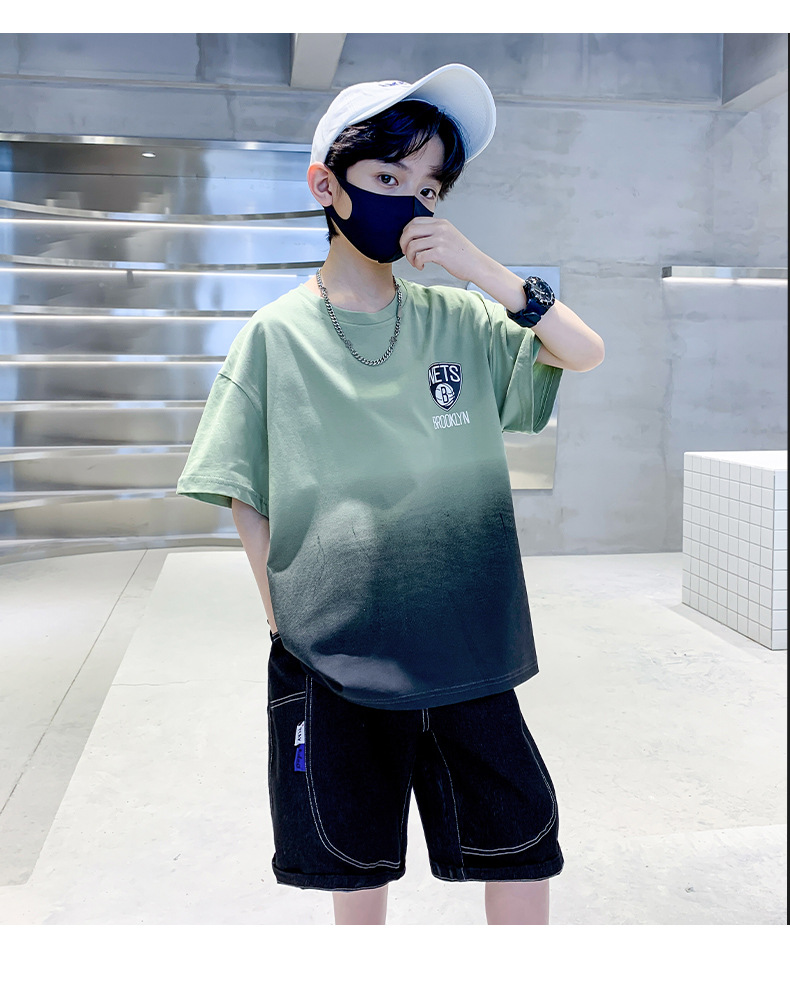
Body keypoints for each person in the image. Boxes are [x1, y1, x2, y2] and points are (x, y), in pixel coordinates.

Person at [177, 63, 604, 925]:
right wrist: (281, 620)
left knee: (519, 842)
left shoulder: (460, 319)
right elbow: (242, 490)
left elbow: (582, 350)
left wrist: (480, 268)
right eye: (387, 177)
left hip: (467, 642)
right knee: (352, 859)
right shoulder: (274, 336)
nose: (411, 201)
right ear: (326, 186)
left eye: (431, 187)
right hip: (335, 652)